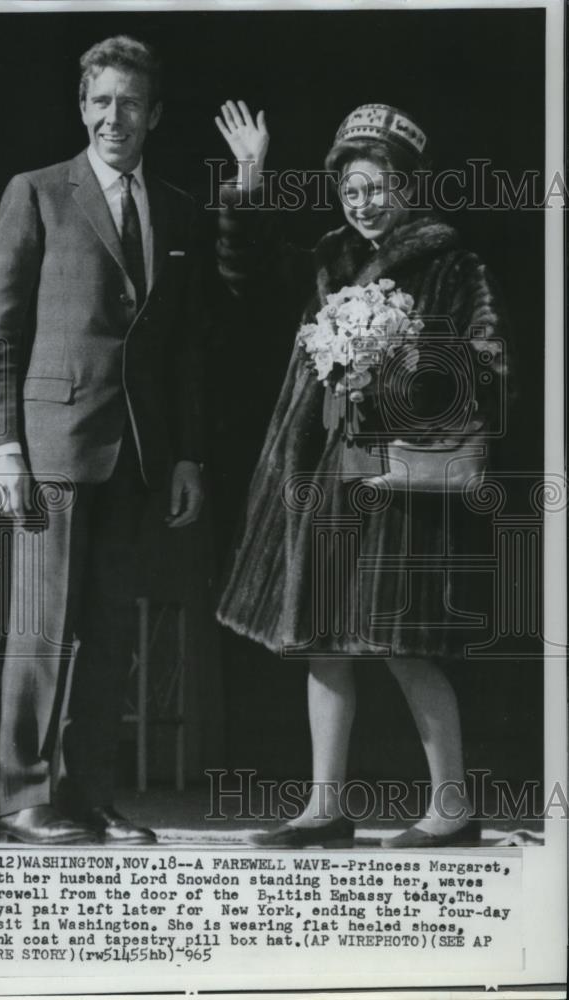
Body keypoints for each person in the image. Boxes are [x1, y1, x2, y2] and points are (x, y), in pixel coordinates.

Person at [214, 101, 508, 848]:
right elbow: (243, 274)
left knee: (405, 644)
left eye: (376, 187)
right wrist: (250, 176)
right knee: (324, 639)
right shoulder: (328, 257)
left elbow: (489, 366)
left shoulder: (452, 262)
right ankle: (325, 808)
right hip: (325, 474)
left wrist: (403, 360)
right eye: (351, 190)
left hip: (400, 482)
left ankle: (452, 809)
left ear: (408, 185)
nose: (362, 202)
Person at [0, 36, 204, 845]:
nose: (115, 116)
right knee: (41, 631)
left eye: (131, 102)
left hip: (136, 456)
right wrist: (2, 448)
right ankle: (21, 800)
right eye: (101, 101)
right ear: (83, 107)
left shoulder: (173, 206)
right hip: (51, 450)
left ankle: (88, 795)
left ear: (154, 114)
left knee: (108, 631)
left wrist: (182, 456)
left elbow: (178, 347)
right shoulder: (35, 193)